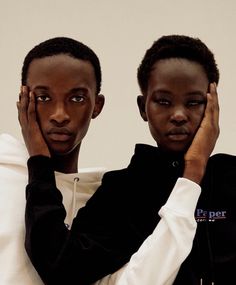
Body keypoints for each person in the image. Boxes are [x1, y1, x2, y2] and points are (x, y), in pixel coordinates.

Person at [18, 36, 219, 285]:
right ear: (143, 107)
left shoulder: (231, 176)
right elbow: (61, 268)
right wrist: (194, 170)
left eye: (194, 102)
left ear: (213, 105)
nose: (178, 115)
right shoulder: (124, 191)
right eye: (163, 101)